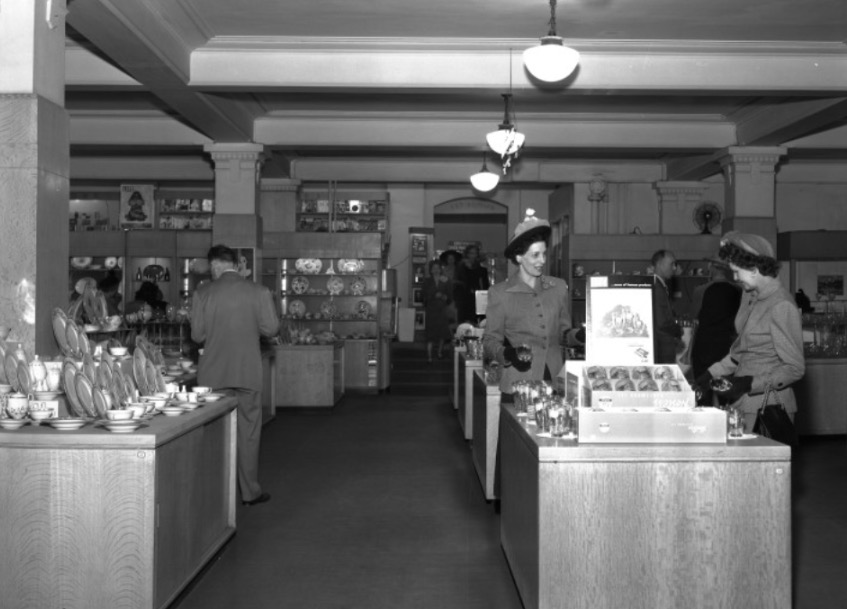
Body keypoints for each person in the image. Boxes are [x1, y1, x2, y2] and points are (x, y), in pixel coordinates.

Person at [190, 244, 280, 506]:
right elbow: (271, 329)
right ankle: (250, 492)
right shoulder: (259, 291)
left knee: (214, 433)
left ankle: (215, 494)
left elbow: (197, 335)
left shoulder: (203, 293)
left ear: (215, 264)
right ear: (236, 264)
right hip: (247, 372)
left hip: (213, 374)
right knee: (249, 432)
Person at [695, 232, 805, 432]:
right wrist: (710, 374)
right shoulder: (749, 296)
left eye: (737, 272)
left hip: (769, 409)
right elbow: (741, 352)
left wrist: (749, 383)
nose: (735, 278)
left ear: (754, 269)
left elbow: (794, 368)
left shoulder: (781, 305)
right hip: (742, 405)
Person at [483, 209, 583, 394]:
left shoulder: (558, 287)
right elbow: (490, 340)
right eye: (535, 255)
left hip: (555, 379)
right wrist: (507, 354)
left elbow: (563, 334)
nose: (542, 260)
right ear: (519, 257)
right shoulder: (499, 293)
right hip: (519, 383)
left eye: (544, 254)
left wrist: (579, 335)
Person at [690, 261, 742, 405]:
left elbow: (694, 316)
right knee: (726, 394)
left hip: (704, 347)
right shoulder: (738, 290)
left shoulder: (700, 290)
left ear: (711, 268)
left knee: (703, 393)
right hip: (727, 347)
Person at [651, 249, 683, 364]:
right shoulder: (657, 287)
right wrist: (678, 330)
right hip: (662, 348)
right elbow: (661, 322)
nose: (674, 268)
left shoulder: (659, 285)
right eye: (672, 264)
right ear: (659, 264)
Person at [421, 259, 453, 362]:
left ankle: (439, 353)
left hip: (442, 310)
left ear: (440, 269)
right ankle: (429, 356)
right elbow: (423, 296)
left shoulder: (446, 280)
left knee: (442, 333)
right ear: (430, 270)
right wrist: (433, 296)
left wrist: (444, 297)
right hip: (431, 310)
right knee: (430, 334)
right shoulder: (427, 281)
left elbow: (450, 297)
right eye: (433, 268)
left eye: (438, 268)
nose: (436, 270)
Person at [454, 244, 490, 325]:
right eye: (471, 253)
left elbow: (485, 286)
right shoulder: (461, 268)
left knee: (479, 322)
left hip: (478, 298)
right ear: (467, 254)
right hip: (464, 299)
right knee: (465, 322)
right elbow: (457, 283)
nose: (473, 256)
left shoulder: (482, 270)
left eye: (475, 253)